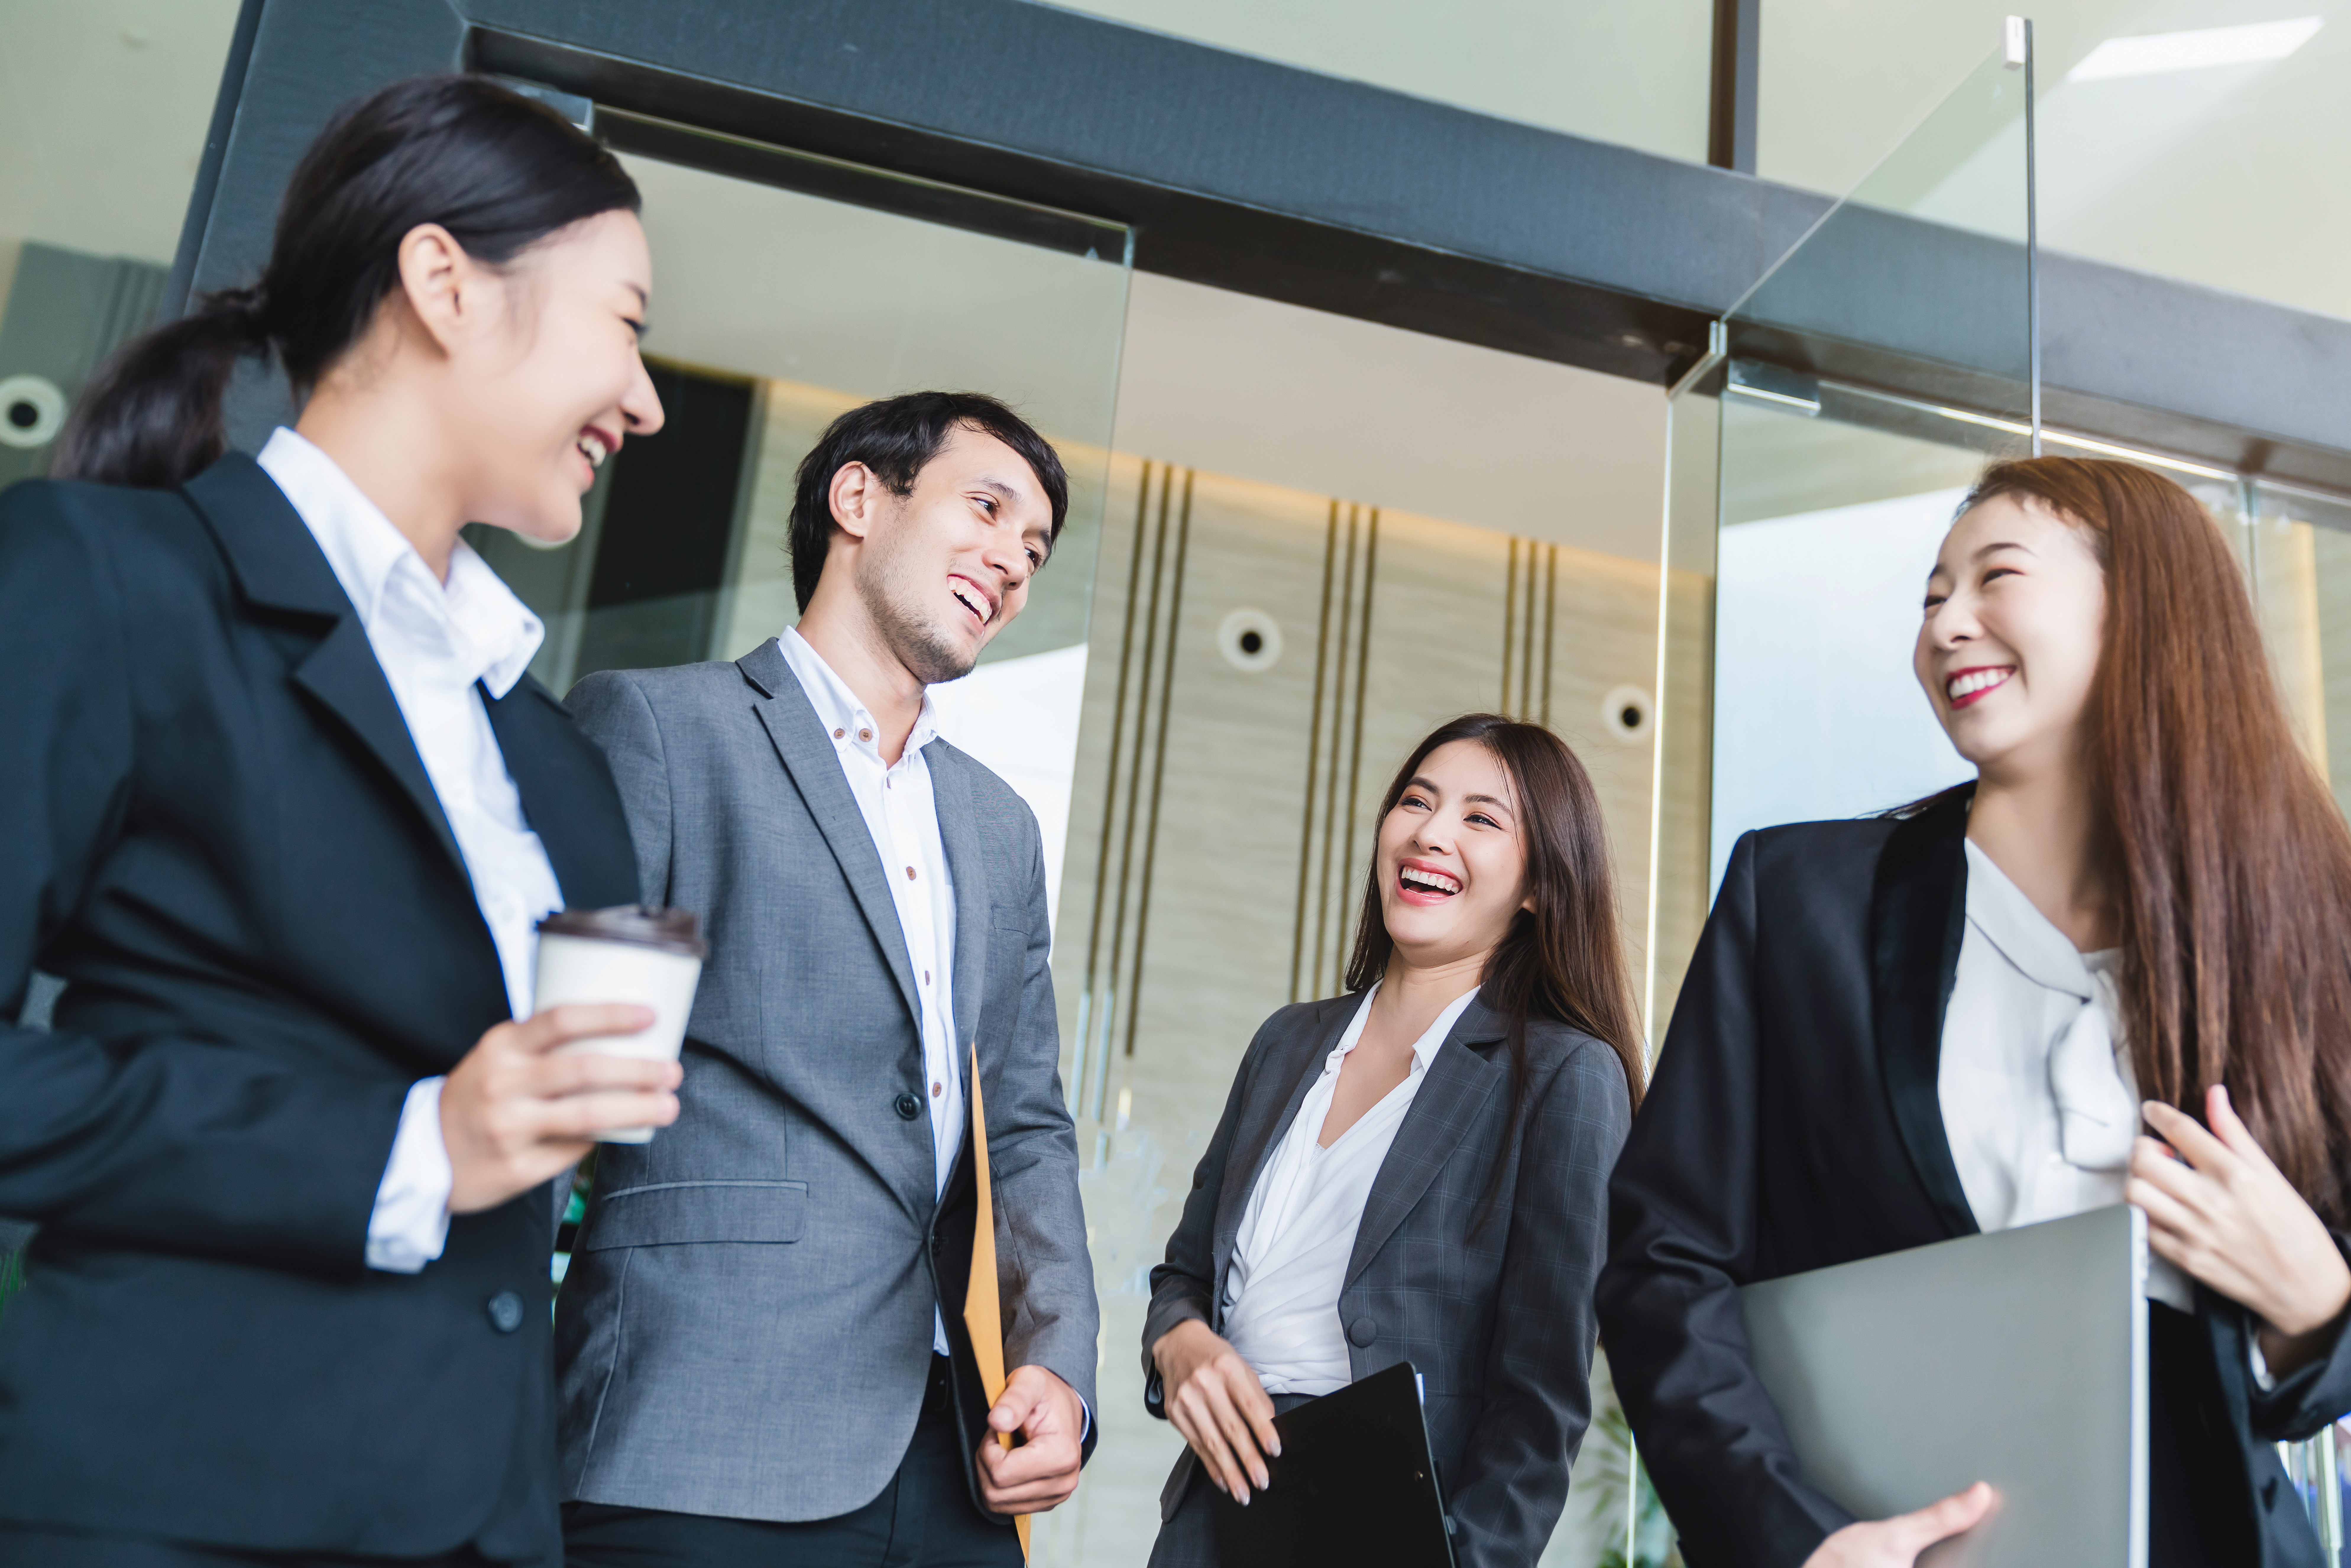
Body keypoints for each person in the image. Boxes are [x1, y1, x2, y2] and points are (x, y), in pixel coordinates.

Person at [0, 75, 680, 1566]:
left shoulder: (548, 757)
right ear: (446, 283)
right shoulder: (105, 580)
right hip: (170, 1510)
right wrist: (409, 1145)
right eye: (625, 324)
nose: (646, 400)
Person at [1599, 456, 2351, 1568]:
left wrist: (2322, 1308)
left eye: (1996, 577)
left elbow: (2313, 1358)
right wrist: (1797, 1543)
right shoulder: (1797, 902)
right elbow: (1664, 1261)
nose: (1946, 625)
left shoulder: (2307, 932)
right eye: (1932, 597)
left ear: (2143, 608)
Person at [554, 391, 1098, 1567]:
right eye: (987, 508)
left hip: (952, 1462)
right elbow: (559, 1082)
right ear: (859, 498)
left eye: (1035, 548)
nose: (1013, 562)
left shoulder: (999, 828)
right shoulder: (662, 731)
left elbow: (1024, 1129)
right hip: (696, 1432)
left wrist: (1057, 1360)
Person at [1142, 714, 1643, 1567]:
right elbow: (1185, 1276)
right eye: (1416, 801)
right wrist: (1179, 1345)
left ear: (1539, 885)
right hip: (1209, 1513)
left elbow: (1539, 1405)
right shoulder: (1286, 1044)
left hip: (1391, 1523)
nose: (1431, 833)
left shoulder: (1565, 1075)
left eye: (1481, 819)